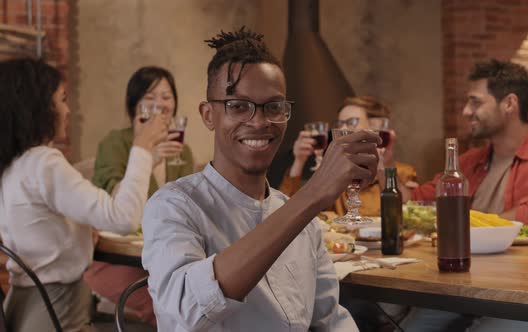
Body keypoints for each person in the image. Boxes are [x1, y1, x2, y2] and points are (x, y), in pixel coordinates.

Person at [141, 27, 380, 331]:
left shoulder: (300, 219)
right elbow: (188, 310)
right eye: (238, 106)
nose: (259, 121)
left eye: (274, 107)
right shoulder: (174, 206)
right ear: (208, 115)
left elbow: (330, 320)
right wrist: (312, 194)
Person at [400, 59, 528, 331]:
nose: (465, 111)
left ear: (509, 103)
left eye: (475, 102)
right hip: (462, 282)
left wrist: (462, 227)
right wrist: (381, 172)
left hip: (526, 290)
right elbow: (418, 201)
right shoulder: (469, 161)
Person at [0, 58, 167, 331]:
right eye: (62, 100)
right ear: (38, 108)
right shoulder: (45, 163)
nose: (68, 110)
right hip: (58, 314)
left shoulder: (14, 166)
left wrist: (77, 231)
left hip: (24, 309)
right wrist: (142, 147)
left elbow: (42, 228)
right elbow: (123, 218)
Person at [84, 66, 195, 325]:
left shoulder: (182, 151)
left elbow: (186, 208)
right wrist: (147, 156)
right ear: (135, 106)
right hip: (117, 259)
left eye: (166, 97)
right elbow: (115, 205)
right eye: (150, 96)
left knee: (197, 301)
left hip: (164, 259)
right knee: (173, 309)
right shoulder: (115, 143)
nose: (160, 104)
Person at [280, 96, 418, 216]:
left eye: (352, 122)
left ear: (375, 128)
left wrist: (384, 167)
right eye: (340, 124)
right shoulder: (333, 176)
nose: (343, 129)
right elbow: (287, 214)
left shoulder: (404, 173)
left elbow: (410, 215)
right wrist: (299, 161)